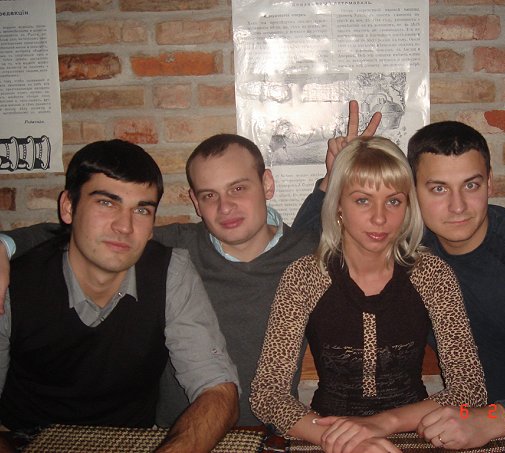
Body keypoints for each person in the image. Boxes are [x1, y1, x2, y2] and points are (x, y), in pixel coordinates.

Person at [0, 109, 380, 426]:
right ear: (195, 202)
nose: (225, 207)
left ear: (267, 184)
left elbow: (377, 237)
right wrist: (5, 243)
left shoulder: (310, 253)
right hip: (179, 433)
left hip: (272, 433)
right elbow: (82, 234)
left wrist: (338, 182)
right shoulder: (175, 246)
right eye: (209, 195)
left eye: (238, 188)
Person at [294, 117, 505, 449]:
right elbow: (306, 250)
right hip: (452, 424)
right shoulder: (410, 244)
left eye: (471, 185)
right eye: (439, 189)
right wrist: (335, 177)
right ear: (413, 192)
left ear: (490, 183)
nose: (458, 207)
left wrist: (497, 418)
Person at [250, 136, 487, 453]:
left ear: (408, 207)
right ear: (338, 205)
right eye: (363, 200)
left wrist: (381, 424)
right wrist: (343, 440)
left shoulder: (432, 274)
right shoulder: (304, 277)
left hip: (416, 433)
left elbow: (470, 388)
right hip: (327, 438)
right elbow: (267, 394)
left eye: (393, 201)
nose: (379, 218)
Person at [0, 140, 239, 452]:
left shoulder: (169, 272)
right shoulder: (13, 282)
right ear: (68, 207)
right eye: (106, 203)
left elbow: (218, 391)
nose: (124, 226)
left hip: (133, 442)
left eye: (141, 210)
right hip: (24, 439)